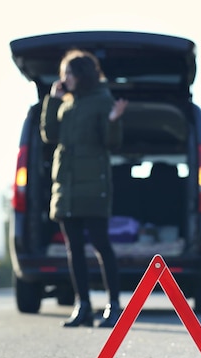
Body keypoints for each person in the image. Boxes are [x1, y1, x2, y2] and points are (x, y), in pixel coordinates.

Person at [40, 49, 129, 328]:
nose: (64, 78)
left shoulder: (102, 101)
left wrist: (114, 121)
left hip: (93, 185)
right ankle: (83, 305)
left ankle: (114, 305)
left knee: (101, 244)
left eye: (68, 73)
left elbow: (111, 143)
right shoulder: (65, 103)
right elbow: (49, 134)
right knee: (73, 248)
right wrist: (52, 102)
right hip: (66, 186)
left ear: (81, 75)